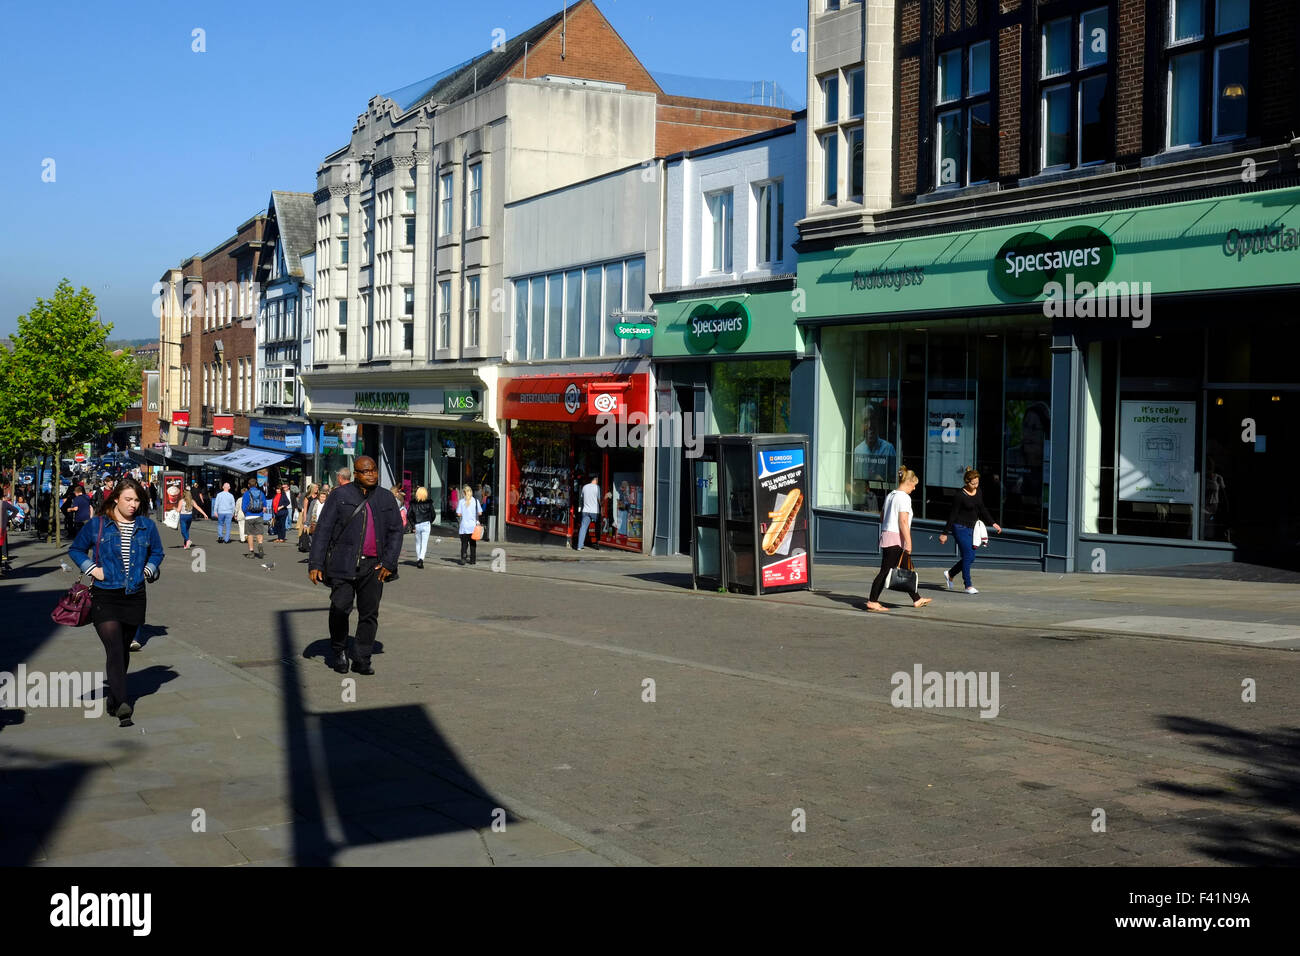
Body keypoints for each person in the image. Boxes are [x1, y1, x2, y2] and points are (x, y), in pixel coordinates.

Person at [68, 477, 164, 725]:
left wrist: (149, 570)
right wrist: (92, 569)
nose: (133, 505)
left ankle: (113, 696)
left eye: (137, 500)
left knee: (122, 648)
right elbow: (76, 549)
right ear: (116, 499)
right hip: (105, 594)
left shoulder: (146, 526)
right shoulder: (98, 524)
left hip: (134, 595)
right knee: (114, 647)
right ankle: (123, 704)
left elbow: (157, 552)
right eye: (128, 499)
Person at [308, 456, 403, 676]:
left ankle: (362, 658)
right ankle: (339, 650)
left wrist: (389, 562)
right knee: (340, 608)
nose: (371, 474)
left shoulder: (386, 498)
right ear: (356, 474)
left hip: (374, 566)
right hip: (343, 563)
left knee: (369, 613)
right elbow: (323, 530)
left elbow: (396, 531)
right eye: (365, 471)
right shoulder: (340, 496)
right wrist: (316, 563)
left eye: (374, 471)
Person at [866, 466, 933, 612]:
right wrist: (908, 541)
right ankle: (872, 600)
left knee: (905, 568)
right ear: (908, 483)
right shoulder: (904, 497)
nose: (914, 489)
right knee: (885, 571)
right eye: (914, 485)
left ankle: (917, 598)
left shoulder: (891, 495)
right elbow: (903, 521)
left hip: (887, 535)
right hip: (897, 538)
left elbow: (882, 517)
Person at [939, 468, 1002, 594]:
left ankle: (950, 573)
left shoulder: (978, 491)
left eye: (977, 483)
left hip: (973, 529)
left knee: (971, 557)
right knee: (968, 555)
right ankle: (968, 585)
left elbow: (982, 508)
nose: (975, 486)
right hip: (959, 528)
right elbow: (952, 515)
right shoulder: (959, 496)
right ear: (966, 482)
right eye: (973, 484)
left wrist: (993, 523)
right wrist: (945, 533)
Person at [852, 404, 897, 512]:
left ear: (877, 422)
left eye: (872, 420)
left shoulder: (889, 449)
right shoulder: (858, 451)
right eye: (866, 421)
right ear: (862, 424)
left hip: (884, 498)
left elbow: (895, 479)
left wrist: (883, 478)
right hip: (863, 500)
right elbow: (855, 480)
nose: (870, 425)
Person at [456, 483, 482, 565]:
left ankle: (463, 558)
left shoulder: (461, 502)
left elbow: (458, 514)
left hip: (464, 526)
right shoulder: (476, 501)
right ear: (471, 492)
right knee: (473, 544)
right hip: (473, 527)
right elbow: (480, 513)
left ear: (464, 493)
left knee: (464, 543)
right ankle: (473, 560)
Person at [241, 478, 267, 559]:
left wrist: (246, 513)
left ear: (248, 485)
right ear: (256, 485)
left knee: (250, 534)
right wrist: (261, 513)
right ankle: (260, 544)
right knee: (259, 533)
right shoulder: (261, 493)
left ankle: (251, 552)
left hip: (249, 516)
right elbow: (265, 506)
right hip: (259, 515)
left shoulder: (246, 494)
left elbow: (243, 507)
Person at [410, 486, 434, 568]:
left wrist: (413, 525)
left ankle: (418, 559)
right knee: (424, 543)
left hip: (417, 524)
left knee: (418, 543)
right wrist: (429, 521)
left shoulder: (413, 503)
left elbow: (409, 515)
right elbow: (433, 514)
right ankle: (421, 559)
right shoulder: (428, 503)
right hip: (426, 524)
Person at [576, 474, 601, 551]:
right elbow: (599, 500)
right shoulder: (597, 487)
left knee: (583, 528)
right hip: (595, 511)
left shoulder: (585, 487)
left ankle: (579, 546)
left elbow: (582, 498)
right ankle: (598, 543)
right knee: (599, 527)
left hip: (585, 510)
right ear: (596, 479)